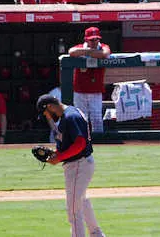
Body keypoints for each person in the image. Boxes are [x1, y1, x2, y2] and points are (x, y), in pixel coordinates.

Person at [36, 94, 105, 237]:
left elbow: (80, 144)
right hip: (79, 164)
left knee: (73, 209)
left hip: (79, 165)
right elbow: (72, 144)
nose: (47, 117)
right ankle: (96, 234)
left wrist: (59, 157)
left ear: (49, 106)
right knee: (82, 202)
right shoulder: (68, 115)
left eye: (46, 114)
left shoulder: (71, 117)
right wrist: (56, 153)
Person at [67, 27, 111, 134]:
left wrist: (86, 53)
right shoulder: (80, 47)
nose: (95, 42)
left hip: (96, 91)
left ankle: (99, 142)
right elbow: (71, 52)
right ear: (86, 39)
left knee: (96, 118)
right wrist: (90, 52)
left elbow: (105, 54)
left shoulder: (103, 47)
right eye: (92, 39)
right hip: (80, 91)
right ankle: (82, 142)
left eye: (96, 39)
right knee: (81, 118)